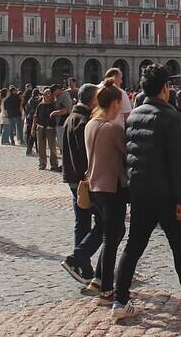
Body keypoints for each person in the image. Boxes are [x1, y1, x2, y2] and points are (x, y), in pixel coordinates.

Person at [112, 64, 181, 320]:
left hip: (141, 192)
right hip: (166, 194)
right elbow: (177, 163)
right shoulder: (172, 117)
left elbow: (130, 157)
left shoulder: (133, 115)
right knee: (180, 247)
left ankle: (120, 302)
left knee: (133, 246)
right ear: (165, 88)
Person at [81, 82, 128, 305]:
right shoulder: (114, 129)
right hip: (111, 187)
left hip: (94, 187)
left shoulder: (90, 124)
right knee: (111, 237)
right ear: (115, 103)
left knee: (114, 231)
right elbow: (127, 153)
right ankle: (107, 290)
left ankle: (100, 279)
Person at [61, 83, 99, 284]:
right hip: (83, 179)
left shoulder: (71, 117)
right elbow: (84, 155)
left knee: (82, 221)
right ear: (93, 100)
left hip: (72, 178)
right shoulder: (83, 121)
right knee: (103, 223)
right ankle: (79, 258)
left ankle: (83, 266)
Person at [34, 88, 65, 171]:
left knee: (52, 147)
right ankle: (42, 163)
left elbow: (64, 111)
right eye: (45, 94)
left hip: (50, 128)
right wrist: (33, 128)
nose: (46, 95)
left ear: (51, 95)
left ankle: (54, 164)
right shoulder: (40, 105)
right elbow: (35, 116)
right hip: (41, 127)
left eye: (48, 93)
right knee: (41, 147)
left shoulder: (55, 104)